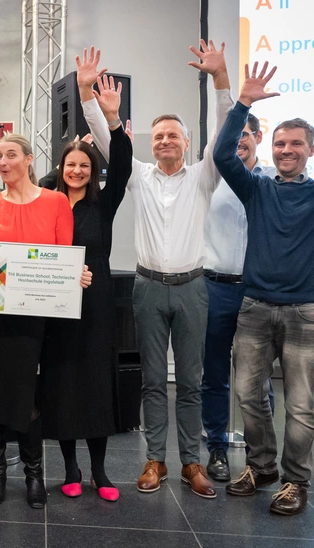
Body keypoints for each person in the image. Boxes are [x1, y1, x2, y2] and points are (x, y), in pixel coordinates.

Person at [78, 42, 233, 499]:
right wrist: (90, 94)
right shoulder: (138, 175)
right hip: (148, 287)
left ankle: (191, 463)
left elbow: (224, 128)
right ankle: (154, 461)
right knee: (150, 380)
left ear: (187, 142)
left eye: (173, 135)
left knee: (189, 381)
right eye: (158, 135)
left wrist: (220, 79)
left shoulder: (206, 175)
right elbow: (107, 139)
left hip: (192, 289)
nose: (164, 140)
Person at [0, 133, 92, 509]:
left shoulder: (56, 203)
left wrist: (76, 276)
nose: (2, 162)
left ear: (29, 159)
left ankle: (34, 474)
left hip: (33, 316)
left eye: (9, 155)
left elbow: (63, 258)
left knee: (26, 394)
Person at [214, 61, 314, 516]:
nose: (286, 149)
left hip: (303, 313)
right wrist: (243, 103)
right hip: (254, 308)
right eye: (280, 143)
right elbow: (221, 156)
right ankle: (262, 467)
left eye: (296, 144)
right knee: (248, 395)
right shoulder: (257, 188)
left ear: (310, 150)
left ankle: (296, 481)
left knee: (300, 406)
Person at [39, 74, 132, 503]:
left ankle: (99, 469)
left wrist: (112, 121)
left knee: (95, 382)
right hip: (56, 305)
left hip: (95, 304)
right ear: (60, 168)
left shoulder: (103, 202)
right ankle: (70, 468)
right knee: (62, 384)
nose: (77, 170)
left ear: (94, 172)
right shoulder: (46, 201)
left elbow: (125, 165)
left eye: (84, 165)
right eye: (70, 164)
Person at [201, 112, 276, 482]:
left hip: (256, 291)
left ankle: (258, 455)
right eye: (235, 135)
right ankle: (215, 447)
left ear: (259, 137)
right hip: (215, 287)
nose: (240, 140)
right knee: (214, 374)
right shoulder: (215, 179)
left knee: (257, 380)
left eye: (246, 134)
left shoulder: (272, 183)